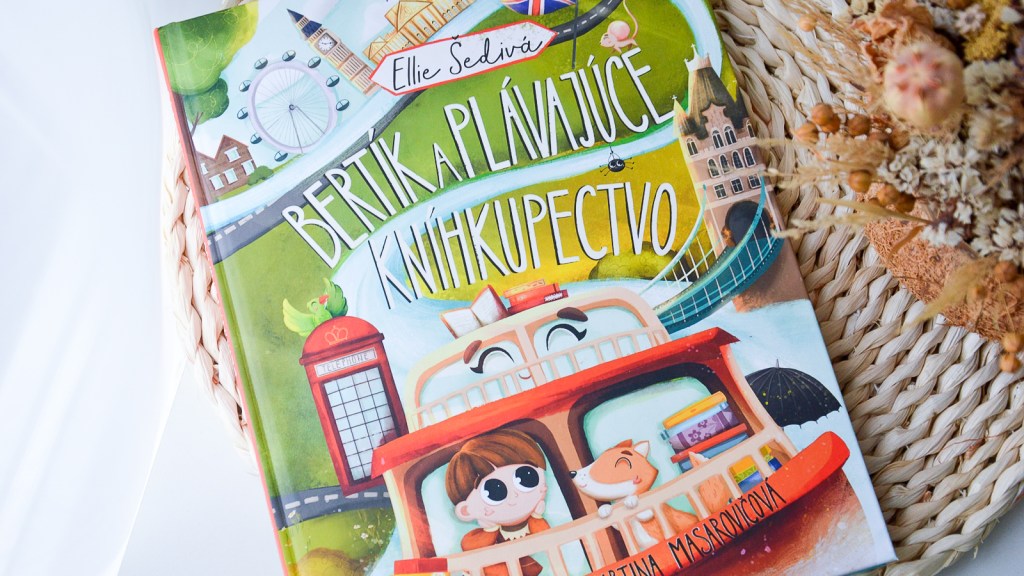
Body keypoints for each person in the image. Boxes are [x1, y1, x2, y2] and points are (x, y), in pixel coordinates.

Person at [446, 430, 550, 576]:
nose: (515, 495)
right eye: (495, 491)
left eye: (527, 478)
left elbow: (546, 538)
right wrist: (491, 530)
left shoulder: (532, 523)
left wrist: (537, 518)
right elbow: (469, 545)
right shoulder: (484, 533)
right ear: (466, 510)